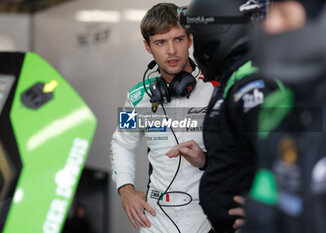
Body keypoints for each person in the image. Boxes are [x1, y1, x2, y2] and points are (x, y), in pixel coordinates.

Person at [167, 0, 279, 232]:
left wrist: (269, 211)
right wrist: (206, 161)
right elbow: (242, 156)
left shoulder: (253, 86)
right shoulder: (235, 80)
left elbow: (288, 156)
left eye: (195, 38)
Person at [110, 3, 214, 233]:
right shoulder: (137, 97)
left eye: (178, 39)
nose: (172, 51)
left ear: (190, 39)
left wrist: (205, 159)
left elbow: (243, 153)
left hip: (208, 216)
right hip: (157, 219)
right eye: (160, 42)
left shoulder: (215, 89)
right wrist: (125, 190)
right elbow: (121, 143)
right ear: (148, 46)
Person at [242, 1, 326, 233]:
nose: (269, 24)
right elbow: (264, 201)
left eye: (285, 15)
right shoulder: (276, 107)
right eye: (272, 12)